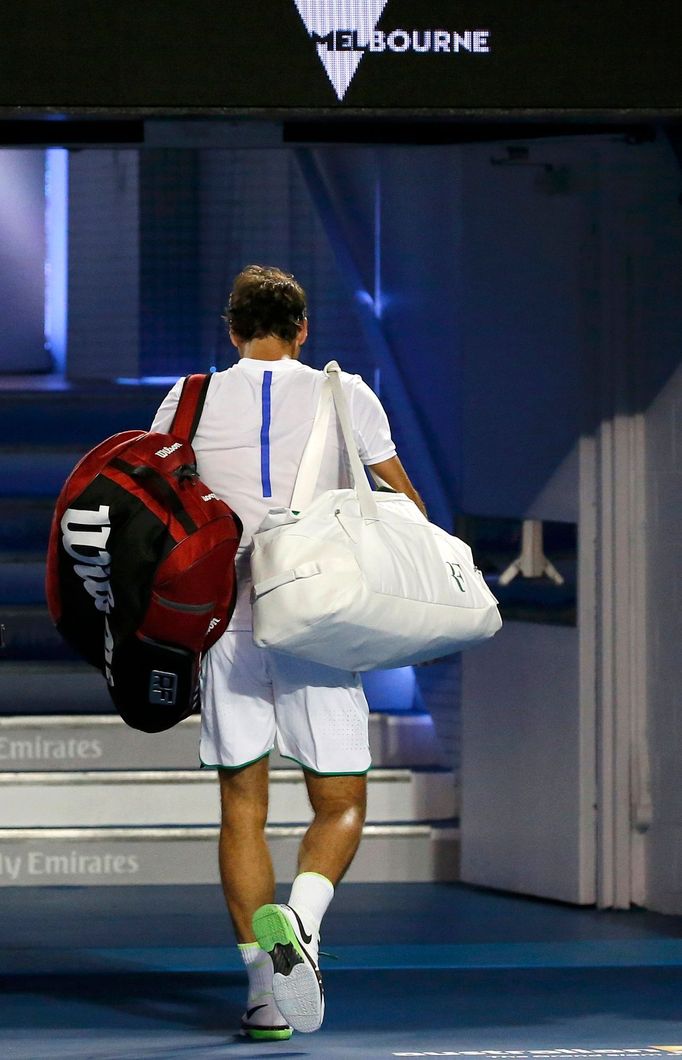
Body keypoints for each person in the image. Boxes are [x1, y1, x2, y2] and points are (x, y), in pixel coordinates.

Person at [151, 264, 425, 1040]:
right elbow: (405, 507)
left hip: (223, 625)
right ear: (303, 329)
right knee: (340, 803)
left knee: (242, 804)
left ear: (231, 330)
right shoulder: (348, 394)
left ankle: (263, 997)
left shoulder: (188, 397)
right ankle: (300, 923)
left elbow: (163, 501)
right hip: (318, 620)